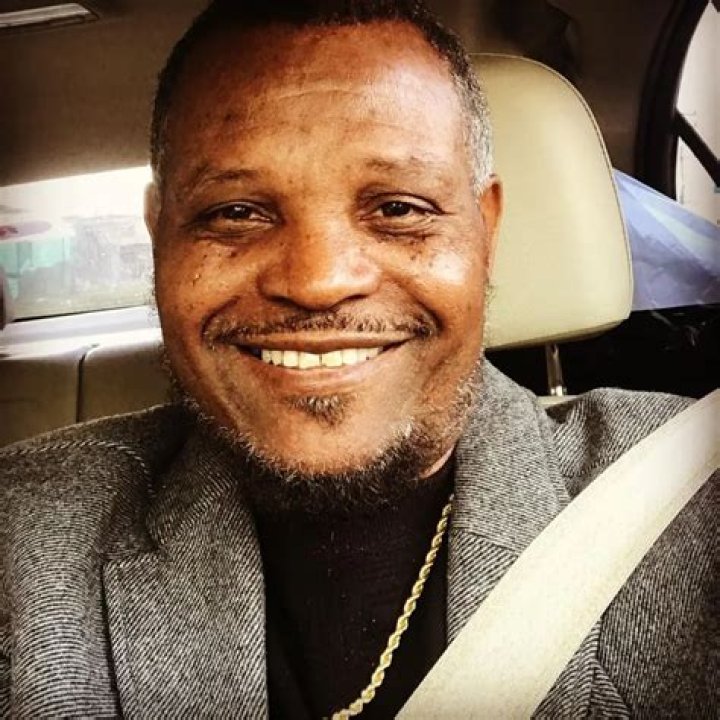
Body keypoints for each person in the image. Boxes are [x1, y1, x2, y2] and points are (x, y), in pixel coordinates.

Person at [0, 1, 715, 718]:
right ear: (160, 237)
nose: (318, 280)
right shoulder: (24, 538)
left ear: (485, 231)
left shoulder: (688, 495)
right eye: (235, 212)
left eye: (399, 208)